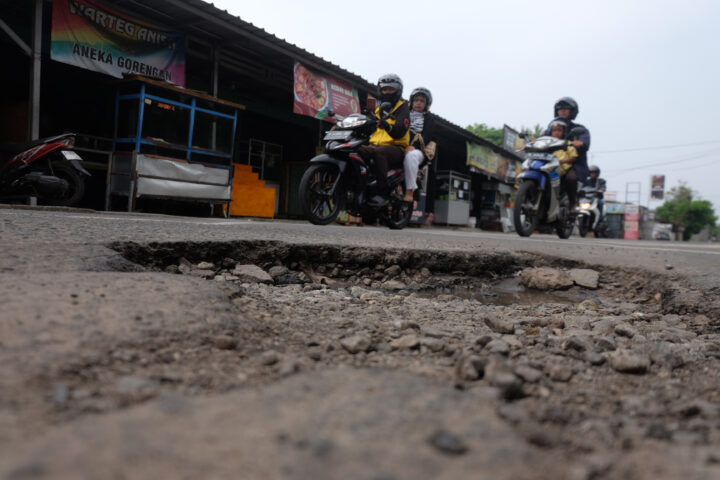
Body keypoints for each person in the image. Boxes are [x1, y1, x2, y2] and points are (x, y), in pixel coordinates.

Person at [360, 73, 410, 206]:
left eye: (391, 89)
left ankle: (382, 192)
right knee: (356, 149)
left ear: (398, 90)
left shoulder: (404, 108)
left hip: (397, 148)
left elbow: (400, 131)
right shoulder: (378, 110)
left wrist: (387, 125)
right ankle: (359, 186)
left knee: (379, 152)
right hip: (374, 145)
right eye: (384, 89)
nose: (387, 92)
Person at [545, 97, 591, 211]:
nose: (563, 110)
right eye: (560, 108)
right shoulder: (551, 128)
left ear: (572, 111)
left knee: (571, 178)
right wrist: (533, 142)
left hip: (572, 164)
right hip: (552, 161)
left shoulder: (579, 129)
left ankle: (572, 202)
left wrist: (580, 142)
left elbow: (585, 141)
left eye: (566, 108)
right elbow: (543, 139)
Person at [403, 87, 437, 202]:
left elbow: (427, 136)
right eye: (416, 100)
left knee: (411, 156)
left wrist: (414, 146)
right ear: (411, 102)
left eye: (422, 101)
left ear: (426, 104)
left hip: (418, 151)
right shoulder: (404, 114)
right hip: (401, 145)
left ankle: (409, 191)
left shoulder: (429, 118)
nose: (418, 103)